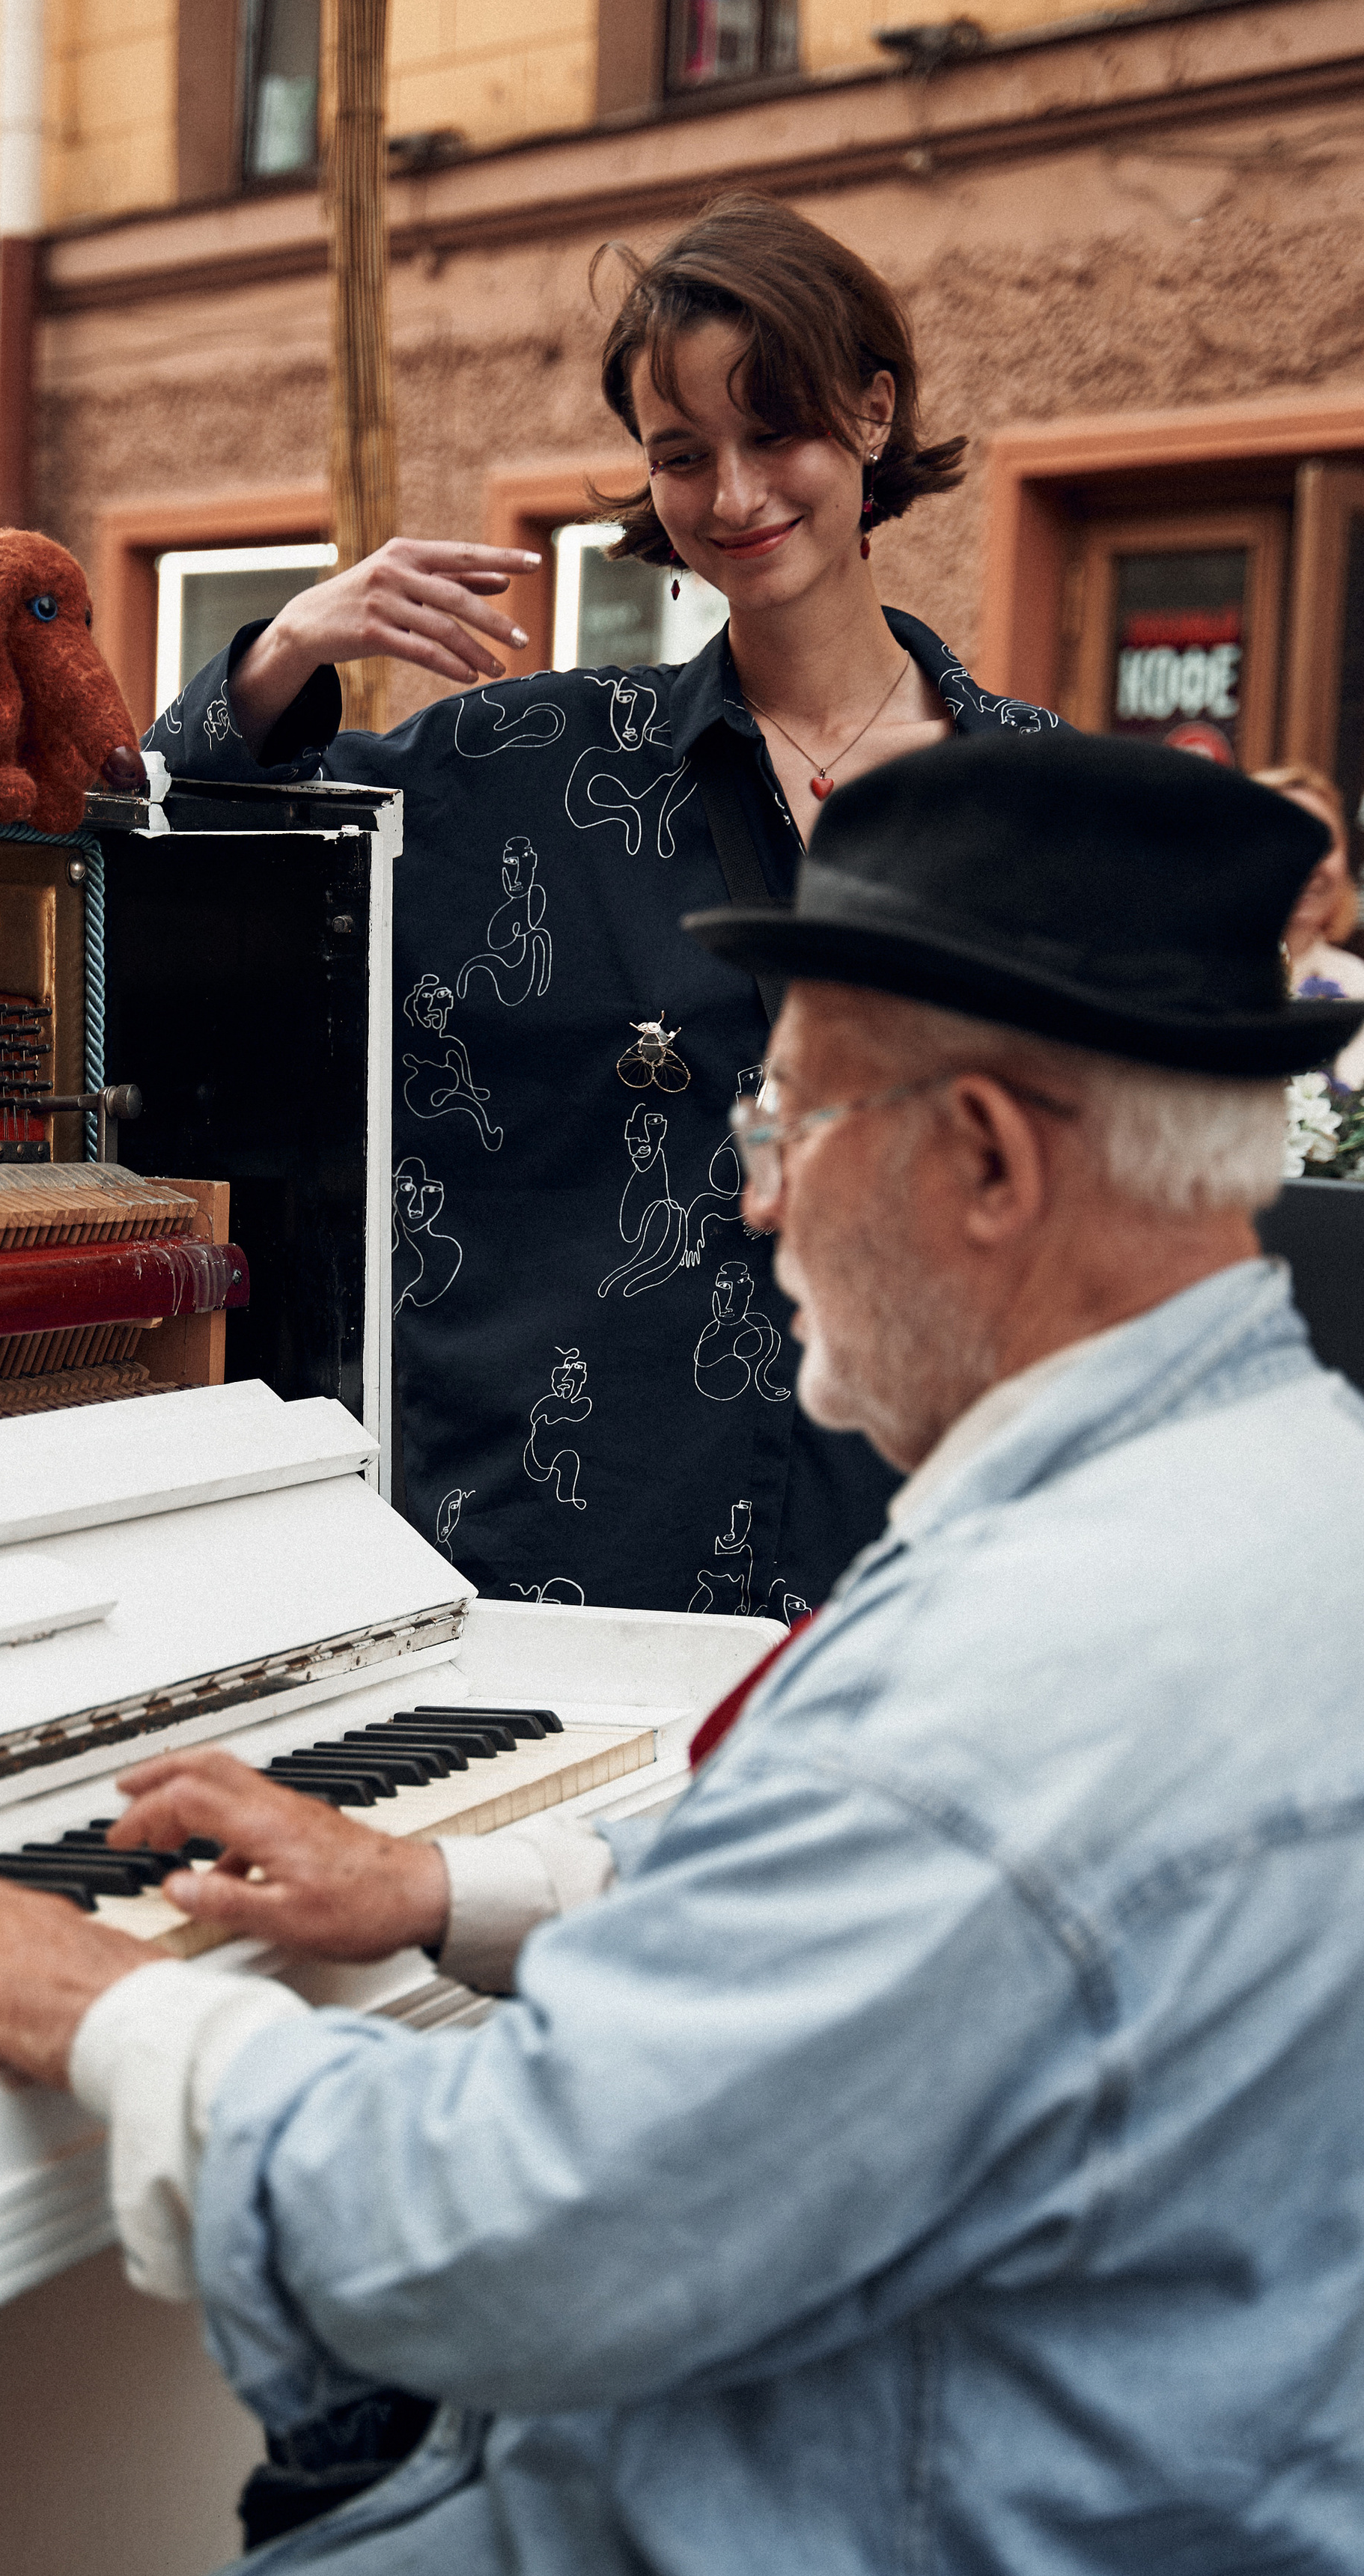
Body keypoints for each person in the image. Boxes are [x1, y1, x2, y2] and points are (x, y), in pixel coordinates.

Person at [0, 734, 1364, 2576]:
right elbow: (934, 1948)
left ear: (989, 1162)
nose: (749, 1188)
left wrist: (118, 2009)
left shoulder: (1016, 1671)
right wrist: (448, 1886)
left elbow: (504, 2238)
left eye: (788, 1112)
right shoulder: (1296, 1486)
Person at [144, 193, 1064, 1624]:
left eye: (777, 433)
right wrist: (288, 648)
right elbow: (189, 839)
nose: (735, 498)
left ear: (874, 414)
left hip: (921, 1568)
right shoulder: (530, 764)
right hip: (564, 1580)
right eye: (683, 455)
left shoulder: (1042, 800)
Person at [1255, 758, 1364, 1090]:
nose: (1308, 863)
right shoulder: (1190, 989)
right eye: (1284, 840)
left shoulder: (1359, 986)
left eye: (1324, 844)